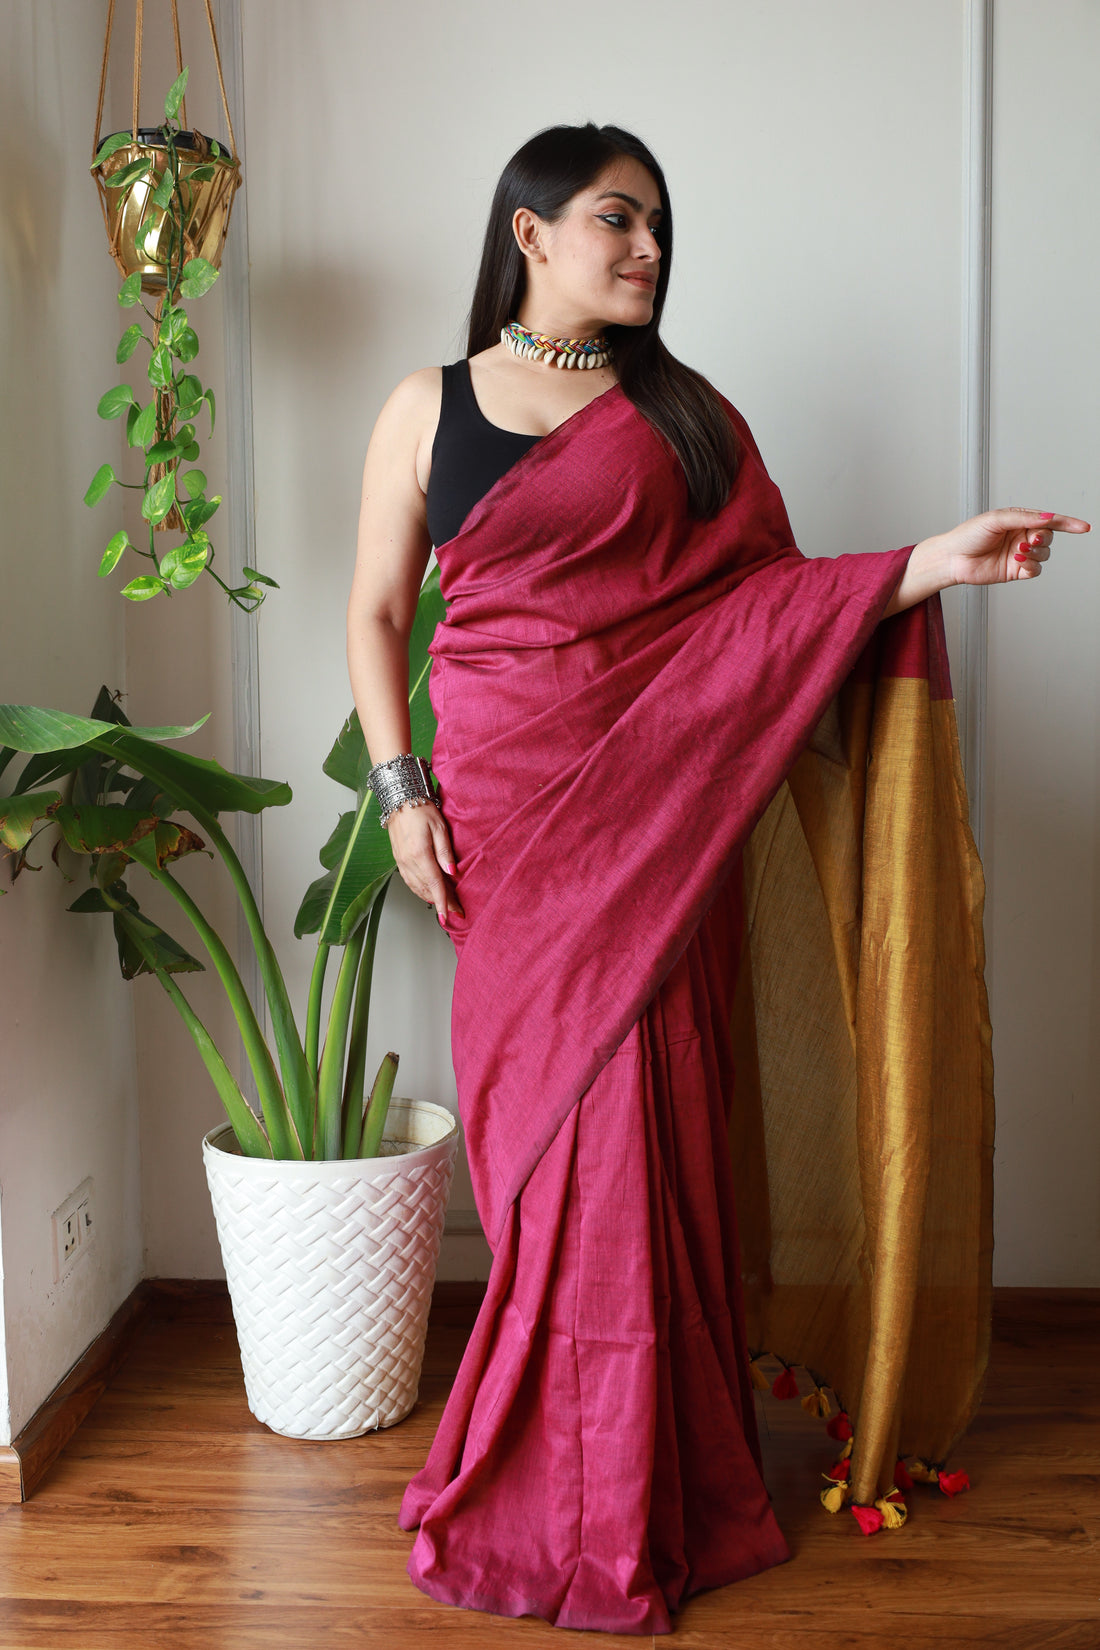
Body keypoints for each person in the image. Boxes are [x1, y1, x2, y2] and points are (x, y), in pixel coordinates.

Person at [346, 123, 1089, 1636]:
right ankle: (552, 1466)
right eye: (617, 219)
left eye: (660, 227)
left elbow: (766, 615)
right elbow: (373, 614)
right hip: (506, 828)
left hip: (658, 837)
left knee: (647, 1143)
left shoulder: (686, 420)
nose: (648, 249)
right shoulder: (427, 407)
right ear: (530, 231)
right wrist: (400, 792)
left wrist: (930, 563)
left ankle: (642, 1479)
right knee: (547, 1161)